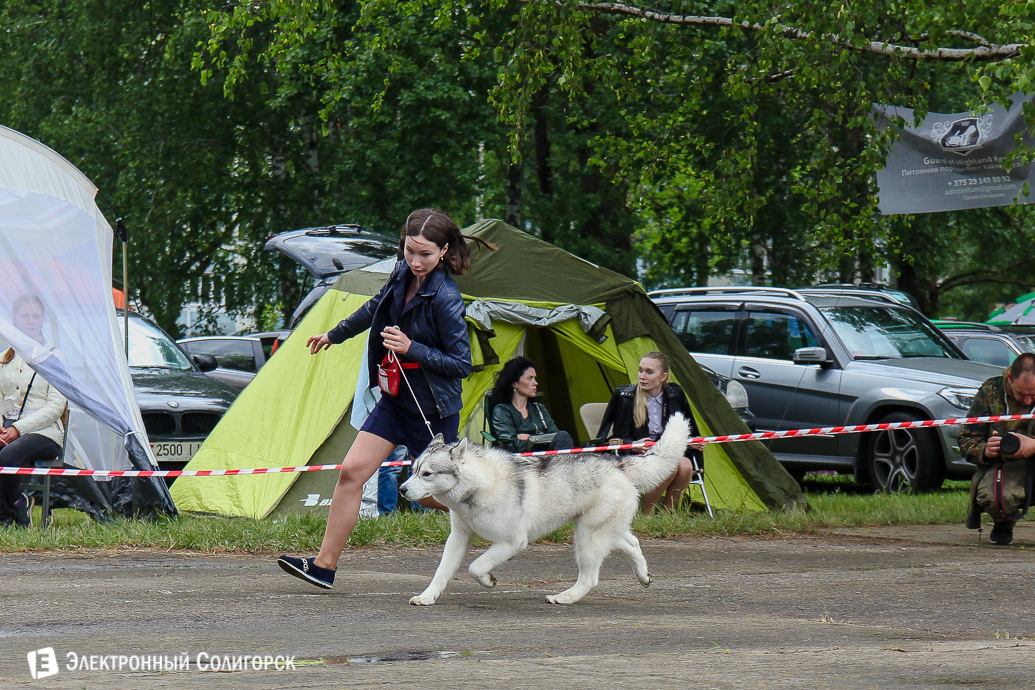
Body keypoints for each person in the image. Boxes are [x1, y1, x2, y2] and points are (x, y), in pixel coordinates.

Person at [277, 209, 494, 589]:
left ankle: (497, 521)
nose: (416, 261)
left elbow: (461, 364)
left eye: (425, 254)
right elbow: (373, 307)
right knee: (350, 472)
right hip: (395, 400)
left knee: (432, 497)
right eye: (411, 251)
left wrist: (413, 348)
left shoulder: (446, 297)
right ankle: (324, 567)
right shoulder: (401, 272)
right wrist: (334, 334)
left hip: (433, 412)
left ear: (443, 251)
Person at [596, 351, 701, 513]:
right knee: (670, 466)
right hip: (636, 456)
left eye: (649, 372)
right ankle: (647, 513)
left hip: (666, 451)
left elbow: (689, 429)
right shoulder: (625, 396)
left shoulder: (675, 394)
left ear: (663, 377)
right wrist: (634, 445)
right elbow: (616, 439)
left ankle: (668, 514)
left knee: (686, 466)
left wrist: (695, 441)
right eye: (640, 370)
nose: (642, 376)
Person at [0, 294, 67, 528]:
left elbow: (56, 407)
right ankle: (19, 501)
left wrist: (19, 429)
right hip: (8, 430)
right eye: (25, 315)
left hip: (46, 433)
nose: (30, 320)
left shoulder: (55, 357)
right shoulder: (3, 359)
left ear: (42, 320)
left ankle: (5, 517)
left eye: (35, 316)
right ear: (14, 319)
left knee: (7, 457)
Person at [959, 352, 1035, 545]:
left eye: (1033, 395)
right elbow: (967, 439)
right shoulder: (990, 391)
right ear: (1010, 379)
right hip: (1005, 464)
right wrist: (985, 450)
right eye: (1022, 394)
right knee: (992, 497)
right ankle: (1003, 521)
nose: (1027, 401)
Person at [487, 357, 573, 453]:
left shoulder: (539, 408)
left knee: (563, 436)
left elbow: (557, 436)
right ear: (514, 383)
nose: (535, 383)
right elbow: (511, 445)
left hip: (546, 458)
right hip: (521, 461)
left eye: (535, 378)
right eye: (529, 378)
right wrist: (542, 439)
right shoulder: (502, 410)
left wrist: (530, 438)